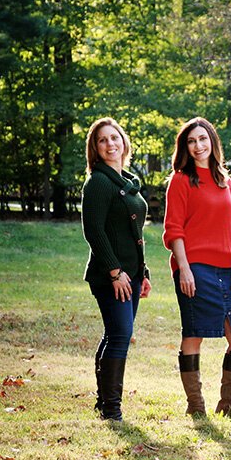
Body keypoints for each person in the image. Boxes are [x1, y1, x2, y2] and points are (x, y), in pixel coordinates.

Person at [163, 117, 231, 418]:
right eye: (191, 141)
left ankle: (228, 406)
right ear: (185, 147)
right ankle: (196, 406)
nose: (198, 146)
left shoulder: (224, 180)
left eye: (203, 139)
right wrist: (184, 268)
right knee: (194, 334)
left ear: (212, 141)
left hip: (226, 268)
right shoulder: (180, 180)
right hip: (195, 266)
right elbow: (174, 229)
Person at [81, 117, 152, 421]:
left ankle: (104, 402)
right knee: (120, 335)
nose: (110, 144)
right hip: (110, 276)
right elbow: (94, 231)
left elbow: (133, 233)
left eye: (115, 137)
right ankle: (112, 409)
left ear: (124, 142)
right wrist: (114, 271)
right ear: (95, 149)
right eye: (102, 140)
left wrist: (142, 272)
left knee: (116, 334)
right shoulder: (98, 182)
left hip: (131, 274)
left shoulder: (127, 181)